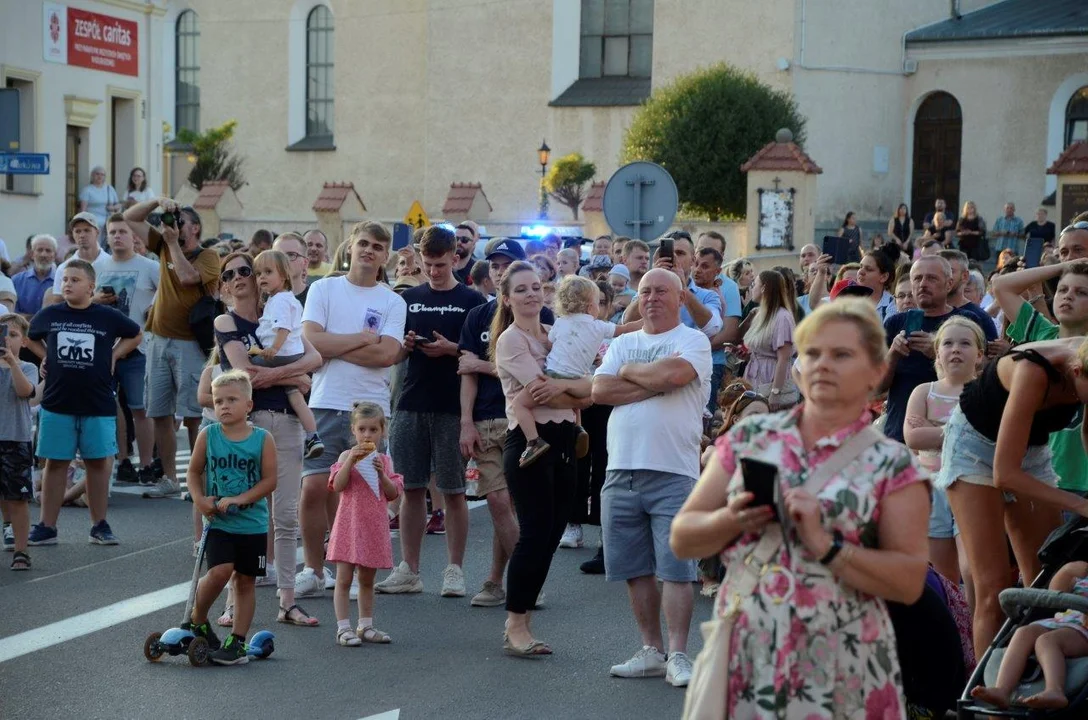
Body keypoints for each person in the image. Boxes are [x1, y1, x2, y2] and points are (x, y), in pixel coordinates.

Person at [671, 298, 930, 717]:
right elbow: (682, 538)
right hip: (748, 652)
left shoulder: (892, 464)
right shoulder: (751, 435)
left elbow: (908, 582)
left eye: (842, 355)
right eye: (812, 353)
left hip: (842, 664)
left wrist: (825, 544)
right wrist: (732, 519)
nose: (822, 365)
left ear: (877, 371)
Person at [593, 268, 712, 687]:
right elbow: (599, 391)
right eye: (645, 291)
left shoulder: (692, 340)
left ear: (680, 296)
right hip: (620, 470)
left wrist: (629, 373)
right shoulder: (625, 342)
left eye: (662, 290)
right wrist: (651, 382)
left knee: (676, 569)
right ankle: (651, 650)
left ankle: (678, 654)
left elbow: (674, 377)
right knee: (635, 568)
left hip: (673, 471)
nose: (652, 298)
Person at [937, 337, 1088, 658]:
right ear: (1077, 372)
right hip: (973, 446)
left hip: (1030, 449)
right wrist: (1078, 503)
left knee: (1046, 583)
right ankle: (982, 697)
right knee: (992, 587)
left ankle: (1036, 679)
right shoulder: (1035, 370)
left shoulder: (1083, 363)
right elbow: (1004, 474)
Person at [214, 252, 323, 626]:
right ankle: (232, 604)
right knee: (244, 515)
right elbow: (245, 374)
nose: (240, 277)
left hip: (289, 421)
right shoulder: (226, 320)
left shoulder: (280, 309)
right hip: (251, 424)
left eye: (247, 269)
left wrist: (287, 371)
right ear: (225, 284)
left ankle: (287, 601)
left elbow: (315, 358)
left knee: (287, 515)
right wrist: (294, 378)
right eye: (231, 274)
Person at [298, 221, 405, 600]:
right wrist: (360, 340)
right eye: (363, 243)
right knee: (314, 487)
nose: (369, 250)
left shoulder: (393, 300)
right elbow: (309, 340)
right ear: (350, 246)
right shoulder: (324, 288)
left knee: (364, 496)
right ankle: (313, 569)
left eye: (377, 246)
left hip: (371, 409)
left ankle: (360, 574)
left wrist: (333, 344)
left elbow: (388, 354)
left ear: (385, 254)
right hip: (326, 400)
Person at [377, 225, 486, 598]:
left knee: (454, 491)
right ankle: (409, 568)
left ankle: (454, 569)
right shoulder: (408, 298)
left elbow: (482, 357)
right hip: (410, 401)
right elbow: (392, 353)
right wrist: (408, 346)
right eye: (427, 264)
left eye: (440, 264)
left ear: (455, 258)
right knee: (410, 488)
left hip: (454, 407)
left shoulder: (473, 301)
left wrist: (451, 349)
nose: (433, 271)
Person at [493, 261, 590, 655]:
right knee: (534, 532)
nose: (532, 294)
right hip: (531, 441)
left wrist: (580, 391)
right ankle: (516, 623)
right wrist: (581, 390)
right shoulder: (510, 340)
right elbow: (542, 391)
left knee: (551, 534)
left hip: (567, 437)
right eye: (522, 289)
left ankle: (524, 617)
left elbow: (582, 390)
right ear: (506, 298)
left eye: (537, 287)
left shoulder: (555, 334)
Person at [458, 239, 553, 605]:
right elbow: (464, 372)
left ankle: (500, 580)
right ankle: (528, 582)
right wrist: (466, 421)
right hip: (485, 418)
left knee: (511, 507)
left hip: (525, 419)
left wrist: (485, 366)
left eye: (507, 263)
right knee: (498, 502)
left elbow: (540, 376)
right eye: (495, 265)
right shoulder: (477, 317)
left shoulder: (543, 318)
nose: (499, 269)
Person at [26, 260, 142, 546]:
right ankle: (46, 526)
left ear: (91, 286)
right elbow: (31, 338)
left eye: (75, 279)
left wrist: (115, 355)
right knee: (55, 463)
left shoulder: (107, 316)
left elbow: (136, 334)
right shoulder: (51, 314)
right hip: (57, 401)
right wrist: (46, 356)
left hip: (97, 400)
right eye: (64, 279)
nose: (67, 284)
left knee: (97, 464)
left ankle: (99, 525)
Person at [124, 197, 221, 498]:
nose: (174, 227)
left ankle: (199, 480)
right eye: (172, 222)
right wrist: (156, 202)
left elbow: (187, 277)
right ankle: (169, 478)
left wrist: (173, 244)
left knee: (194, 414)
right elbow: (130, 217)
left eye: (180, 223)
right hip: (158, 340)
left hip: (191, 343)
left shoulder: (209, 256)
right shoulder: (164, 243)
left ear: (195, 228)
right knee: (159, 412)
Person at [185, 370, 278, 665]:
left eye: (231, 400)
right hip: (220, 523)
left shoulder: (263, 439)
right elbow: (193, 472)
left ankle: (237, 641)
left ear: (248, 405)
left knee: (245, 581)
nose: (223, 406)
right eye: (218, 401)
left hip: (252, 524)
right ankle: (198, 620)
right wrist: (200, 500)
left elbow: (270, 481)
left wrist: (239, 499)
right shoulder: (208, 435)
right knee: (218, 572)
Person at [511, 275, 638, 466]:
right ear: (589, 307)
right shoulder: (599, 326)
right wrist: (644, 322)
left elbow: (550, 342)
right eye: (597, 303)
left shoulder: (561, 323)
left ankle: (533, 441)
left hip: (554, 375)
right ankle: (578, 428)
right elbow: (624, 328)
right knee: (577, 403)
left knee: (519, 404)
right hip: (580, 378)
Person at [994, 259, 1088, 498]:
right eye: (1062, 290)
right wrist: (1066, 266)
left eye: (1081, 292)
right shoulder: (1042, 333)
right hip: (1040, 476)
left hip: (1083, 480)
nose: (1067, 297)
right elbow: (1001, 286)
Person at [904, 318, 984, 589]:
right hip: (930, 487)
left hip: (972, 484)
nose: (956, 349)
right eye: (948, 343)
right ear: (937, 352)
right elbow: (914, 437)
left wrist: (935, 428)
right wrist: (959, 431)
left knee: (971, 569)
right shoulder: (924, 392)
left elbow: (985, 438)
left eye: (965, 343)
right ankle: (955, 629)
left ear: (980, 354)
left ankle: (978, 629)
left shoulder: (986, 393)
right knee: (942, 574)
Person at [881, 255, 995, 444]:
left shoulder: (965, 320)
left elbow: (983, 369)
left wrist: (940, 353)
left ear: (949, 284)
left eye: (931, 278)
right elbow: (877, 387)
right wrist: (892, 354)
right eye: (917, 278)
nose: (923, 284)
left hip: (954, 438)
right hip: (899, 435)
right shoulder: (895, 323)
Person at [327, 402, 403, 646]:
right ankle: (343, 628)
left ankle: (366, 625)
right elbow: (337, 485)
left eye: (373, 430)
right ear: (354, 431)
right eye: (362, 429)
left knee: (367, 579)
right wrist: (350, 461)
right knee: (344, 578)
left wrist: (381, 474)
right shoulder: (344, 456)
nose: (367, 435)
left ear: (383, 432)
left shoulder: (384, 460)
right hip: (349, 524)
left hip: (373, 525)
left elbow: (392, 493)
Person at [92, 214, 159, 485]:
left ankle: (146, 464)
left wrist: (153, 309)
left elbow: (164, 297)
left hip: (139, 348)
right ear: (106, 236)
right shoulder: (98, 266)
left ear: (135, 237)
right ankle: (122, 460)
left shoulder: (150, 267)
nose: (117, 236)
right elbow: (85, 301)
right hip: (104, 347)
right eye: (113, 232)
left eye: (123, 231)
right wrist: (96, 299)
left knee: (139, 408)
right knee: (112, 407)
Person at [971, 560, 1088, 710]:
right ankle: (1002, 690)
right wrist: (1066, 571)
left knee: (1046, 641)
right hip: (1063, 622)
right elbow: (1055, 595)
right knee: (1024, 631)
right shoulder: (1082, 573)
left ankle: (1054, 690)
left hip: (1084, 629)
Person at [248, 250, 324, 458]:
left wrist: (274, 348)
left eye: (268, 272)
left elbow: (283, 328)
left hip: (282, 354)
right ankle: (313, 436)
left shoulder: (280, 300)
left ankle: (245, 417)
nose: (262, 277)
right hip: (294, 354)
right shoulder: (284, 298)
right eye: (258, 273)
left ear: (283, 275)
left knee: (248, 368)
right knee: (295, 396)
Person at [0, 314, 38, 570]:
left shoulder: (26, 367)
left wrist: (11, 362)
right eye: (4, 334)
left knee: (17, 498)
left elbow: (25, 392)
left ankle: (21, 551)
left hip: (15, 440)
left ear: (24, 341)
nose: (7, 339)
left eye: (13, 335)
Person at [742, 270, 796, 408]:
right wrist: (747, 355)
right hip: (755, 378)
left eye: (755, 284)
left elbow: (784, 358)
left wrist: (775, 392)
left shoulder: (782, 317)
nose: (751, 288)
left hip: (770, 381)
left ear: (764, 288)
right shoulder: (761, 315)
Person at [44, 213, 103, 306]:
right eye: (77, 231)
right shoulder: (64, 267)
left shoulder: (110, 263)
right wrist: (92, 299)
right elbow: (57, 300)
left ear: (97, 232)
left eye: (87, 230)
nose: (82, 235)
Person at [11, 235, 57, 316]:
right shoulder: (16, 280)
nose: (44, 255)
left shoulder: (62, 281)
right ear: (32, 254)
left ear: (54, 255)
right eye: (39, 250)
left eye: (48, 250)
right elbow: (13, 312)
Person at [855, 247, 898, 321]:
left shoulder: (893, 305)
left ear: (884, 277)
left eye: (868, 269)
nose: (860, 272)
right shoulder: (848, 300)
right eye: (860, 267)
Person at [78, 166, 121, 234]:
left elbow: (118, 205)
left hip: (109, 221)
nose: (99, 176)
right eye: (97, 174)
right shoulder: (87, 190)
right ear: (92, 175)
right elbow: (83, 209)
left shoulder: (109, 189)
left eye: (102, 174)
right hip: (93, 223)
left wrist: (112, 208)